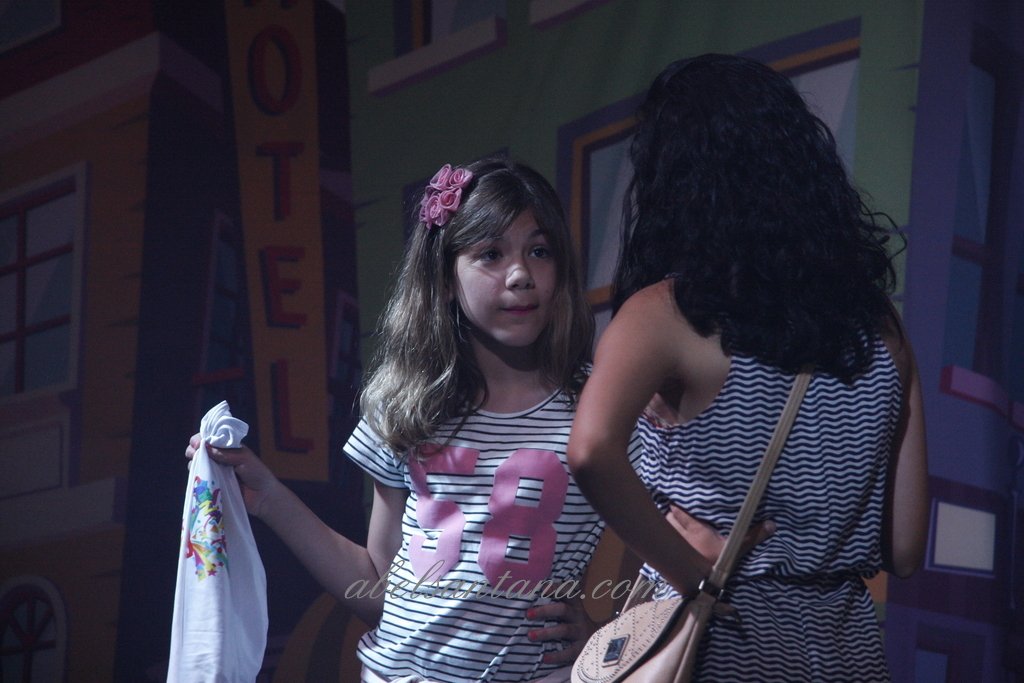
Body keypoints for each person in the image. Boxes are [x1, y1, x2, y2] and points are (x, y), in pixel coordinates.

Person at [189, 157, 642, 682]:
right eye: (491, 254)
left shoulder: (599, 404)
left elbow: (675, 551)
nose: (521, 275)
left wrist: (608, 637)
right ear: (444, 278)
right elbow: (378, 586)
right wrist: (267, 496)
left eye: (539, 251)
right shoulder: (407, 402)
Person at [566, 54, 929, 682]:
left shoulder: (668, 314)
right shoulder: (881, 329)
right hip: (846, 649)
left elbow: (591, 450)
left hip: (722, 637)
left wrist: (691, 572)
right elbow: (904, 548)